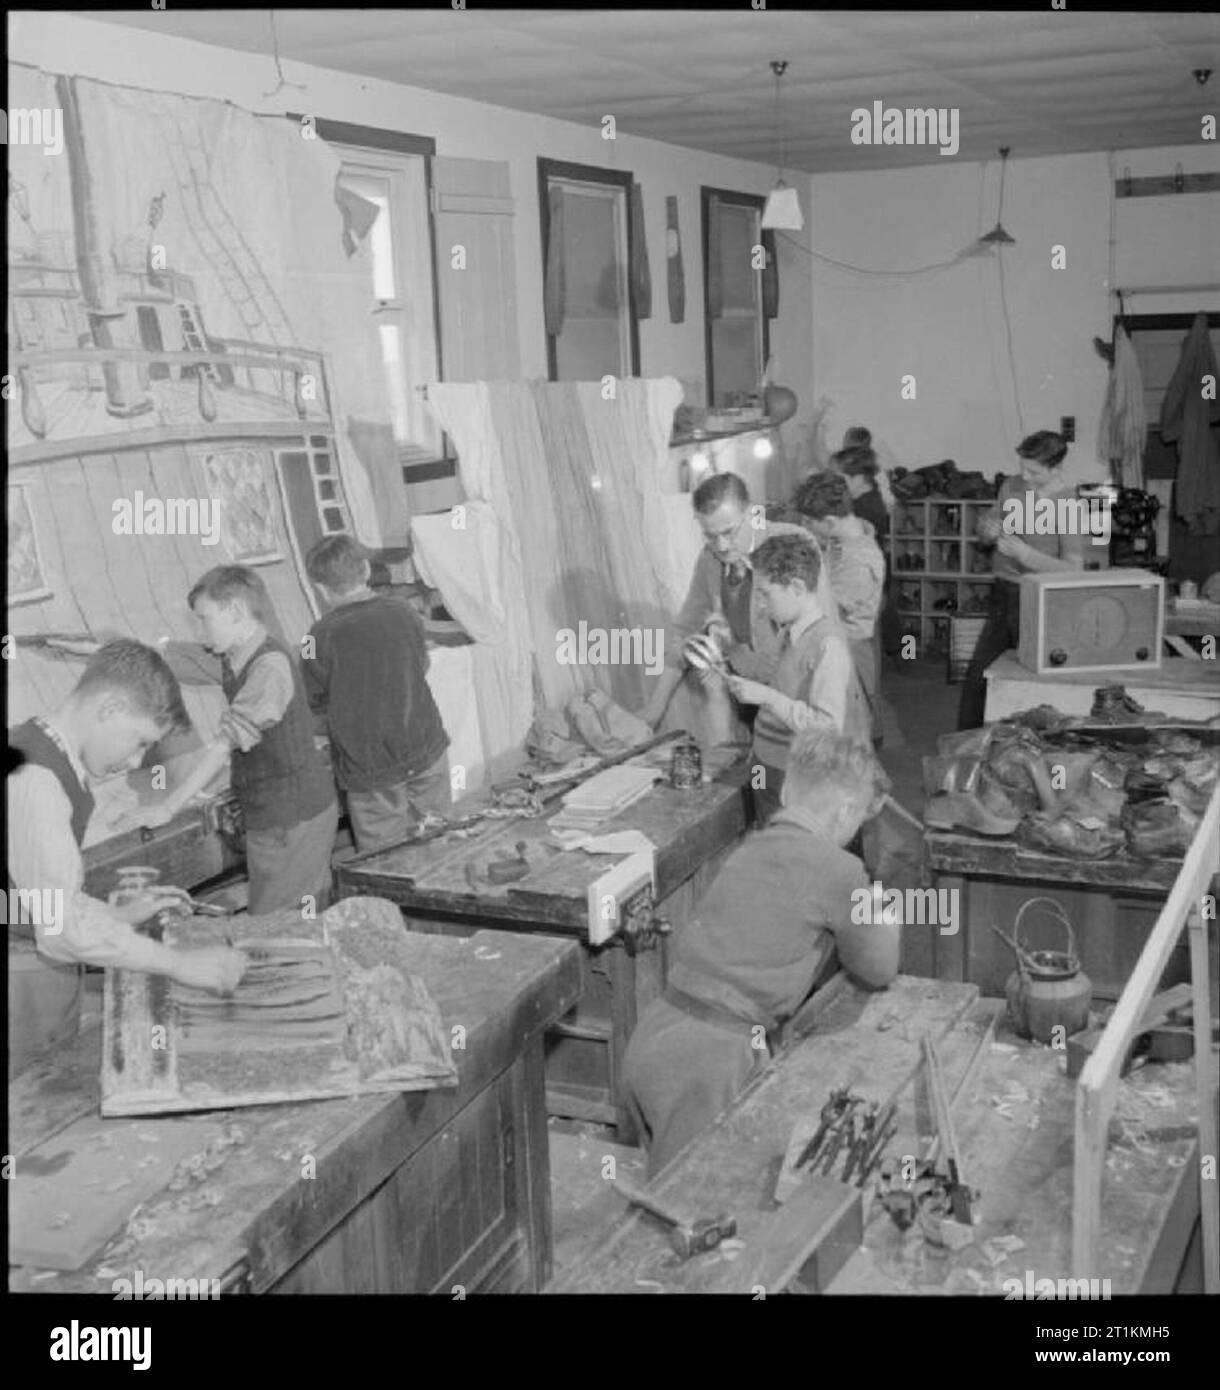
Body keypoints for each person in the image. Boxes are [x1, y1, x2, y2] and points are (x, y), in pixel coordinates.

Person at [622, 728, 899, 1177]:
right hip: (705, 1067)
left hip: (655, 1039)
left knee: (670, 1195)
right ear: (847, 810)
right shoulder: (841, 870)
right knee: (692, 1208)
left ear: (788, 790)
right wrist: (884, 915)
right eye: (859, 820)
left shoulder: (752, 848)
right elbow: (879, 967)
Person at [7, 641, 248, 1076]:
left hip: (34, 953)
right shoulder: (37, 779)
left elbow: (42, 897)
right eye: (139, 742)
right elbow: (59, 927)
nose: (135, 761)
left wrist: (114, 914)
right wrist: (180, 963)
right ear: (110, 707)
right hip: (21, 972)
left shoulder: (45, 752)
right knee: (34, 1098)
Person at [142, 567, 339, 916]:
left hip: (292, 819)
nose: (202, 633)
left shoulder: (268, 668)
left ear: (234, 611)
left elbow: (221, 746)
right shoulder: (236, 655)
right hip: (278, 815)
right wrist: (98, 649)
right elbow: (172, 657)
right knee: (291, 917)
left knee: (276, 925)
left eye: (205, 620)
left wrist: (169, 807)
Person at [303, 534, 451, 853]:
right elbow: (420, 664)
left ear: (320, 588)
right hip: (426, 748)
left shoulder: (316, 636)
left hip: (371, 769)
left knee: (385, 864)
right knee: (440, 846)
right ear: (367, 571)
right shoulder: (404, 612)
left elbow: (312, 703)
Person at [640, 472, 813, 732]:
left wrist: (732, 648)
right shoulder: (710, 561)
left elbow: (818, 640)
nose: (721, 545)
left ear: (752, 514)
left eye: (729, 532)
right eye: (709, 535)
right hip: (753, 700)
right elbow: (685, 630)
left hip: (802, 703)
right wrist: (654, 709)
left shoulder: (793, 544)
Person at [723, 533, 871, 823]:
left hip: (793, 776)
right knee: (768, 840)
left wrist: (767, 698)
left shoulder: (827, 645)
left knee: (790, 851)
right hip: (768, 764)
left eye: (766, 594)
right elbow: (770, 671)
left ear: (796, 587)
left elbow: (827, 728)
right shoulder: (788, 630)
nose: (762, 605)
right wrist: (728, 648)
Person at [957, 430, 1085, 729]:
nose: (1025, 477)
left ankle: (1028, 750)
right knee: (980, 677)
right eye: (1022, 467)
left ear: (1056, 468)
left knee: (1031, 682)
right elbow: (990, 521)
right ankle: (967, 749)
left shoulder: (1066, 504)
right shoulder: (1011, 485)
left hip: (1039, 601)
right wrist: (986, 528)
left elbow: (1073, 569)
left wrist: (1025, 554)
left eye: (1034, 471)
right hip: (1004, 594)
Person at [791, 470, 886, 747]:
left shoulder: (859, 564)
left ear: (830, 521)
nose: (804, 525)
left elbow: (822, 610)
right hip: (836, 646)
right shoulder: (841, 539)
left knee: (848, 740)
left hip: (851, 653)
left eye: (809, 521)